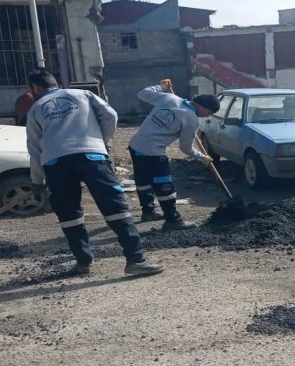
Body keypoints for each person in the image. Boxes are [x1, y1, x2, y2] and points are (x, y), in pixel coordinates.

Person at [25, 69, 162, 276]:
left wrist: (37, 180)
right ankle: (136, 260)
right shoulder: (83, 94)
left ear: (35, 87)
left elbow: (34, 148)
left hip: (56, 163)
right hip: (92, 157)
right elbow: (110, 115)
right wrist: (101, 142)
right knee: (115, 207)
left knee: (69, 215)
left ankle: (83, 263)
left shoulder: (35, 108)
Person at [128, 82, 219, 229]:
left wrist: (161, 87)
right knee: (164, 185)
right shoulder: (191, 119)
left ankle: (148, 212)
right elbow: (185, 148)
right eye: (209, 112)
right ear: (202, 106)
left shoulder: (169, 98)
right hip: (152, 152)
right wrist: (202, 156)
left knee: (143, 180)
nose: (208, 115)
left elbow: (142, 93)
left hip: (136, 145)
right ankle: (173, 220)